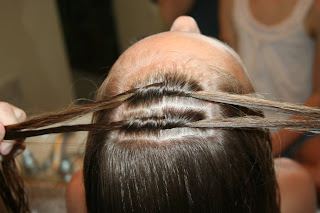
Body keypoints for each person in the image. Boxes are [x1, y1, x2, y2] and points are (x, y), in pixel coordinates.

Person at [0, 16, 318, 213]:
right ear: (257, 153)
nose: (183, 20)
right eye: (206, 39)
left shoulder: (79, 194)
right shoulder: (292, 189)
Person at [219, 0, 320, 192]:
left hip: (301, 127)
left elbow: (318, 97)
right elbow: (228, 78)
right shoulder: (231, 3)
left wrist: (274, 144)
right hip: (251, 126)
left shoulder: (313, 8)